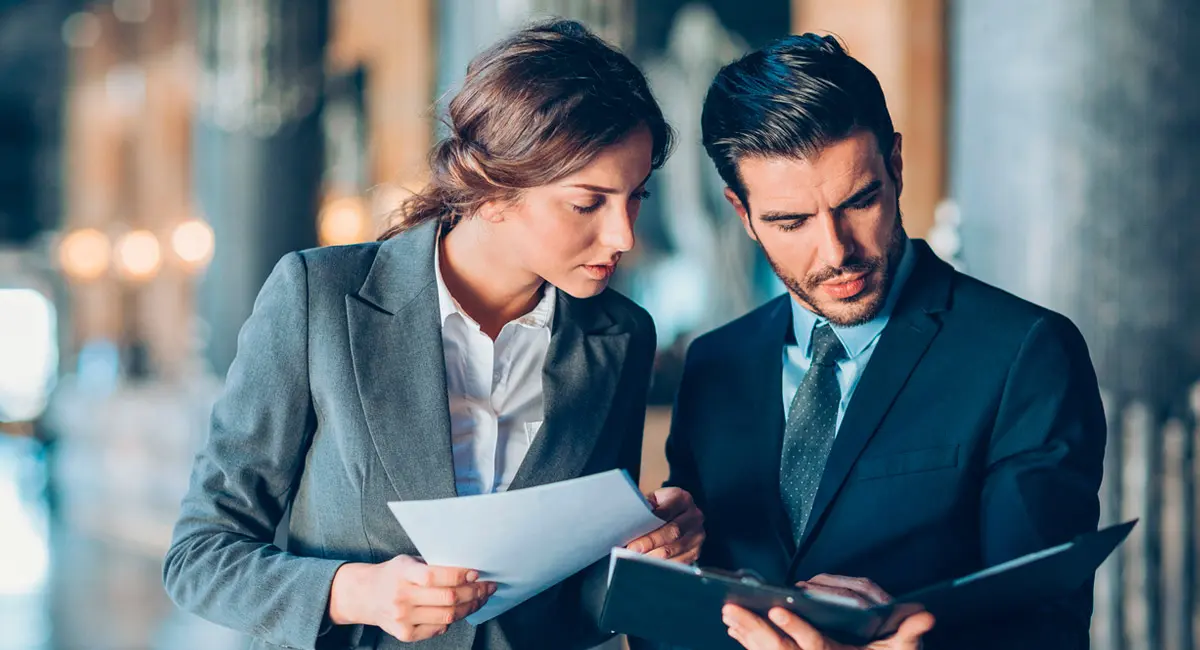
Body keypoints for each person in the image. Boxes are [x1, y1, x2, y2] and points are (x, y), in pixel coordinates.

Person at [163, 20, 704, 650]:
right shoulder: (320, 297)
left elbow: (574, 602)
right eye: (589, 203)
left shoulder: (621, 335)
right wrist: (354, 592)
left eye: (635, 196)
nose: (623, 236)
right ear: (492, 190)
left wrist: (649, 557)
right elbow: (199, 556)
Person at [659, 33, 1106, 650]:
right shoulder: (715, 362)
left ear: (895, 165)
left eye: (860, 202)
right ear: (743, 214)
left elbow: (1047, 628)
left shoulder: (1024, 353)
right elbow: (691, 603)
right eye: (791, 222)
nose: (836, 251)